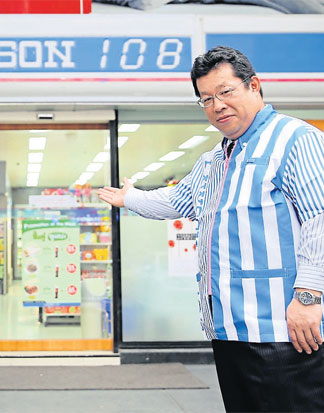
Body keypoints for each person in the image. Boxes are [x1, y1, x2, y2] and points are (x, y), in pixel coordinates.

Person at [98, 46, 324, 412]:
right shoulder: (214, 161)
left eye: (225, 92)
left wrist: (308, 297)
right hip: (228, 329)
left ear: (254, 85)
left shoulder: (295, 140)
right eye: (206, 98)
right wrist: (131, 198)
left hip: (285, 329)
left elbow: (319, 219)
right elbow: (177, 202)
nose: (217, 105)